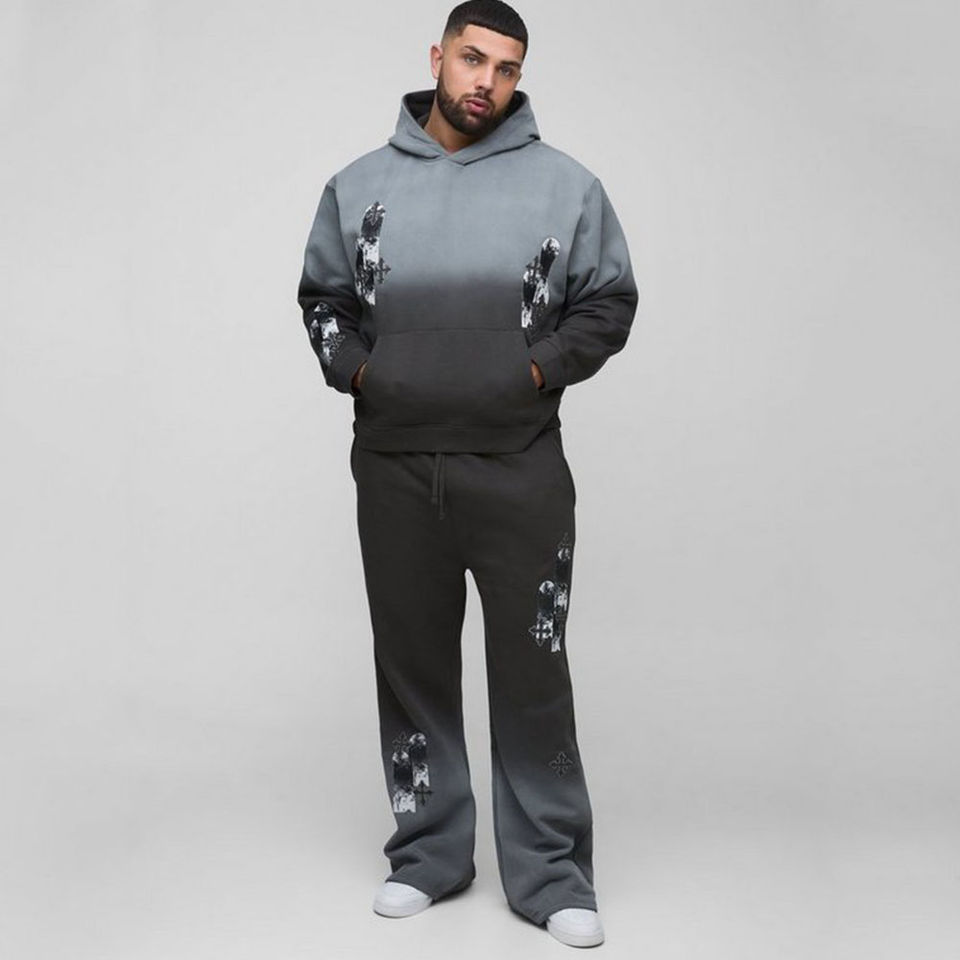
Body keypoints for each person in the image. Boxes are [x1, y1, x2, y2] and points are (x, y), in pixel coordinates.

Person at [296, 0, 638, 948]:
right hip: (395, 468)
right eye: (472, 58)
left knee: (533, 672)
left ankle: (552, 874)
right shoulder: (358, 186)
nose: (486, 81)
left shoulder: (566, 187)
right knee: (411, 667)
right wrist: (364, 375)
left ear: (520, 78)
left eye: (507, 67)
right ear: (438, 56)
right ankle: (429, 855)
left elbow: (608, 302)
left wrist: (531, 372)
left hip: (520, 467)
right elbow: (323, 299)